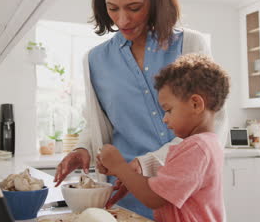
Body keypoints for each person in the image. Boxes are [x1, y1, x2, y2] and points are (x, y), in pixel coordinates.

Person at [53, 0, 229, 218]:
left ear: (156, 0)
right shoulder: (95, 60)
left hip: (182, 197)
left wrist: (146, 164)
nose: (122, 20)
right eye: (112, 8)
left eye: (134, 8)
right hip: (123, 196)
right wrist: (82, 148)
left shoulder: (190, 44)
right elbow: (99, 122)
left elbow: (213, 121)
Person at [98, 53, 230, 222]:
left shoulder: (196, 148)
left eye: (169, 110)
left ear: (195, 104)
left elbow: (154, 198)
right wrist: (129, 177)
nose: (165, 118)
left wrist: (119, 166)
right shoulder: (207, 143)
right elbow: (165, 187)